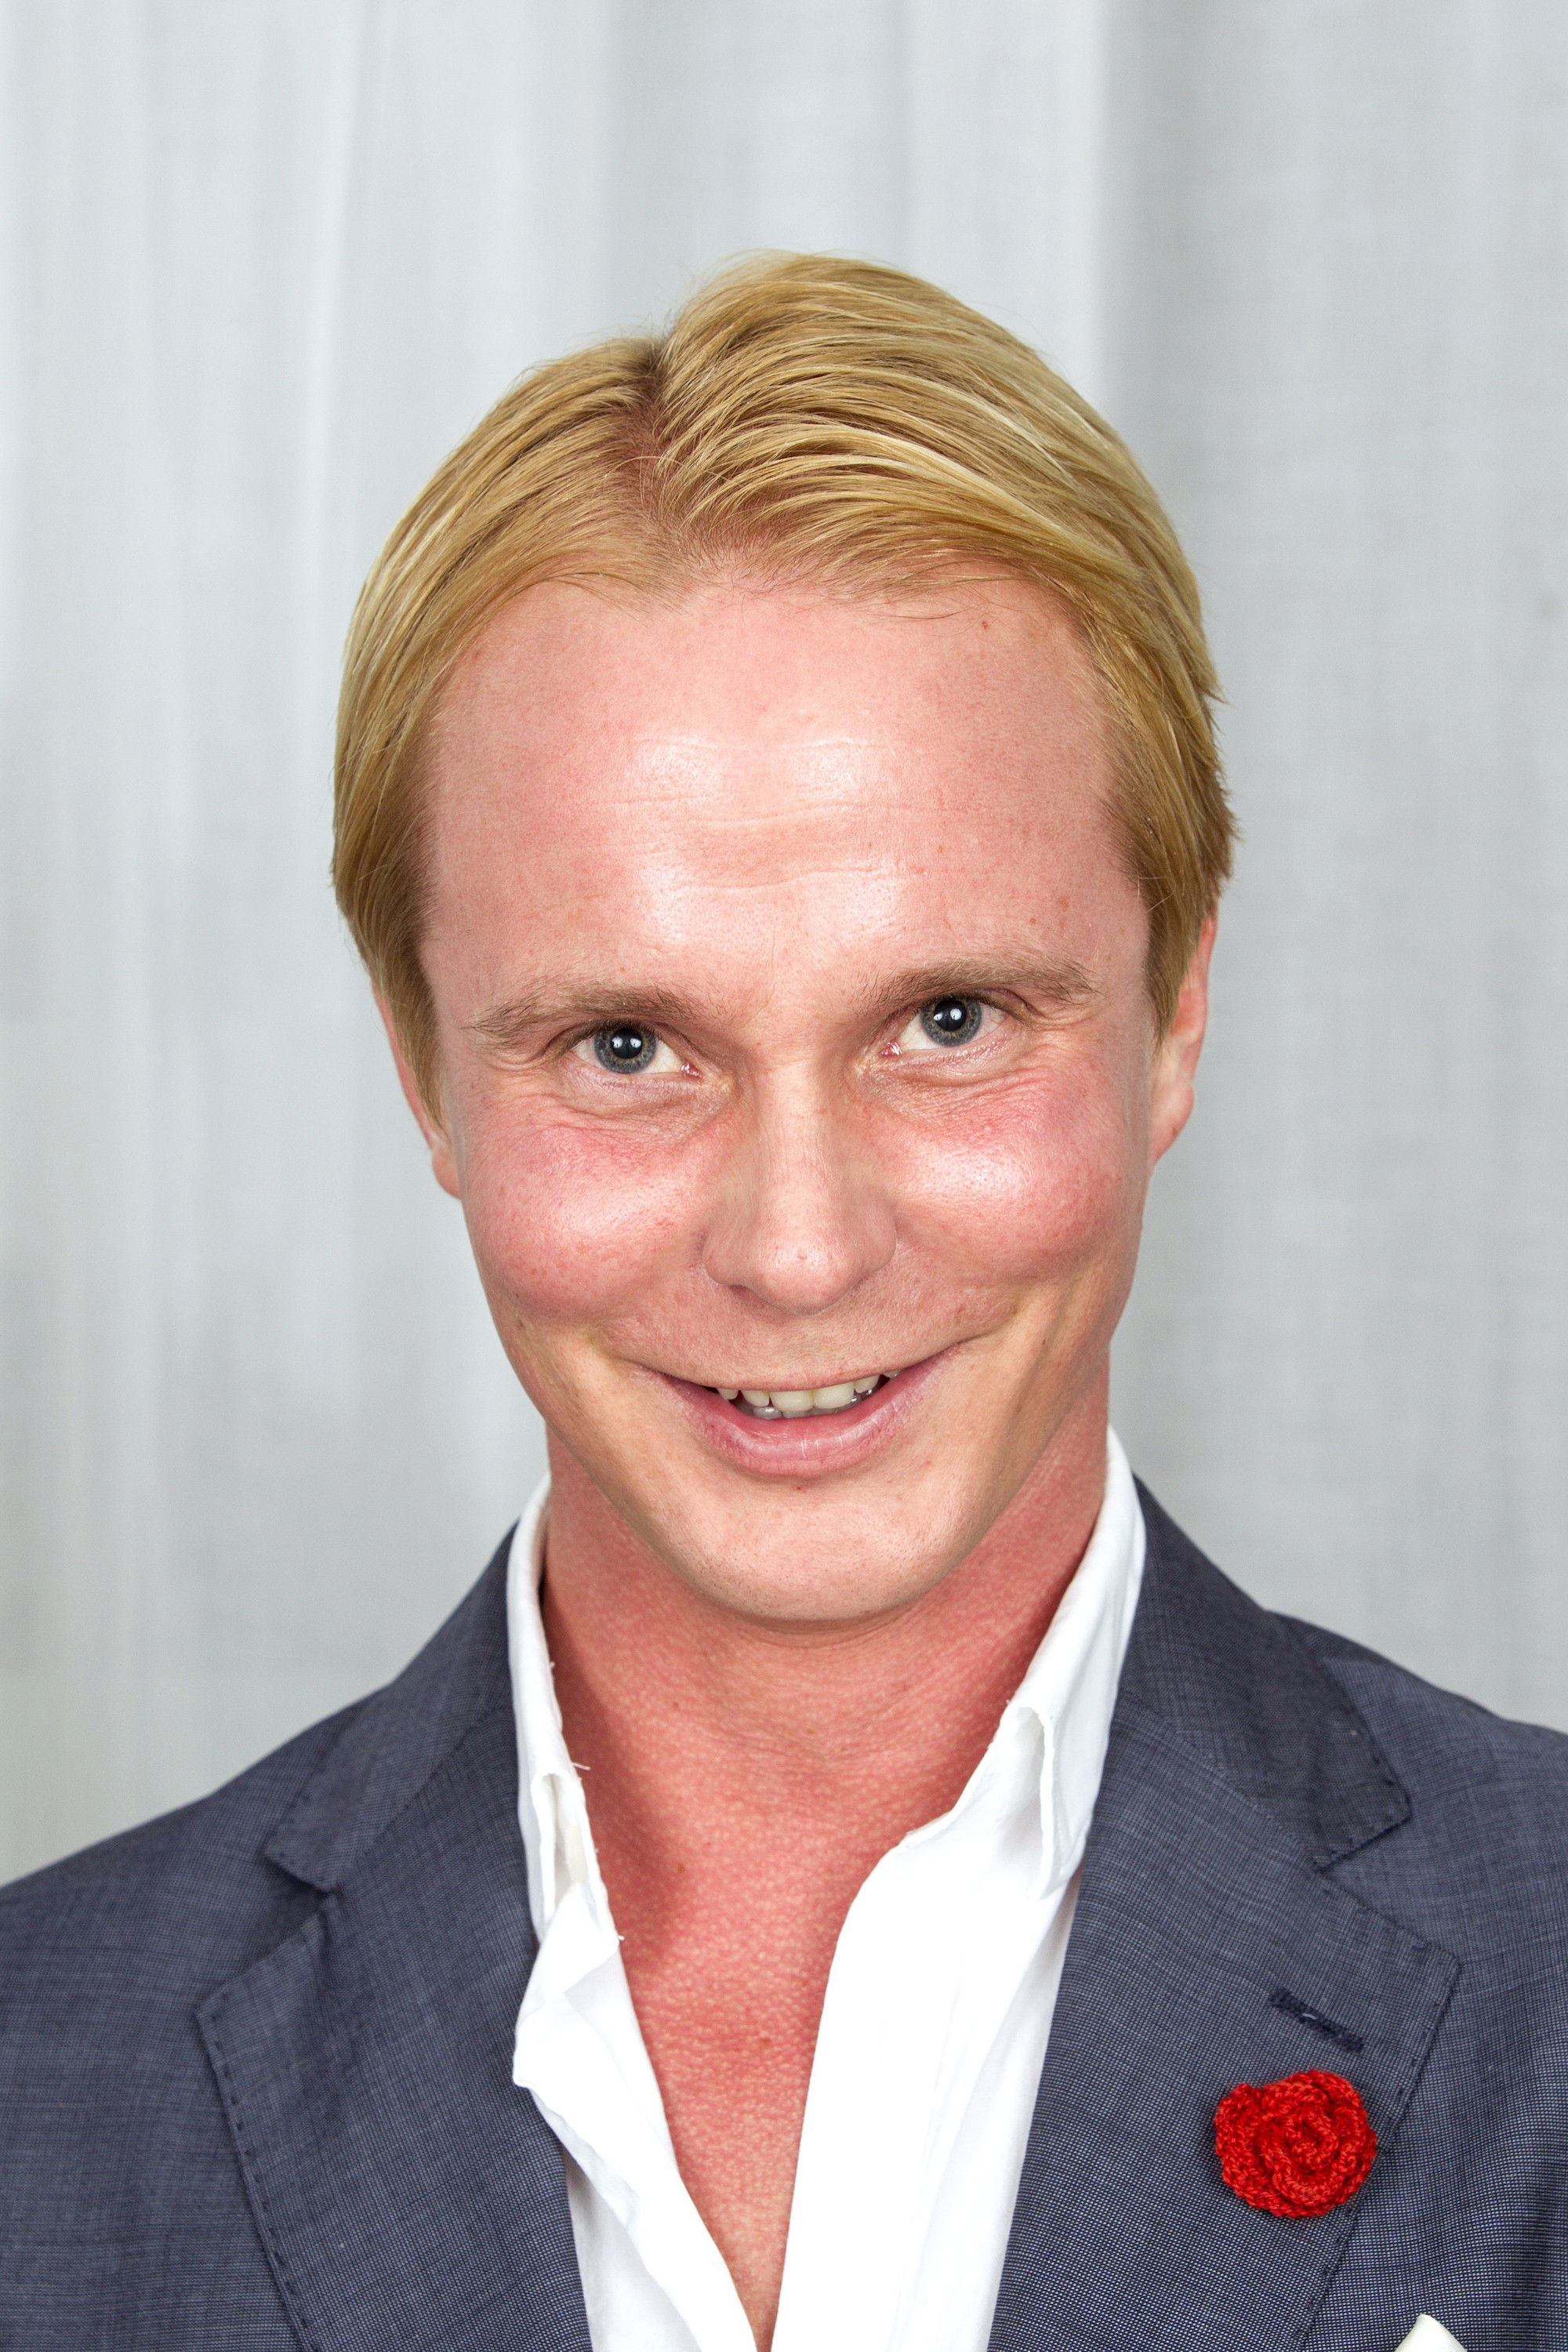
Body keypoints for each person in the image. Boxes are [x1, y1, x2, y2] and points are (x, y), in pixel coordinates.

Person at [2, 255, 1563, 2352]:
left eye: (948, 1018)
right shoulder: (37, 2085)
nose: (801, 1249)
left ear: (1178, 1011)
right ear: (423, 1069)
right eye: (626, 1046)